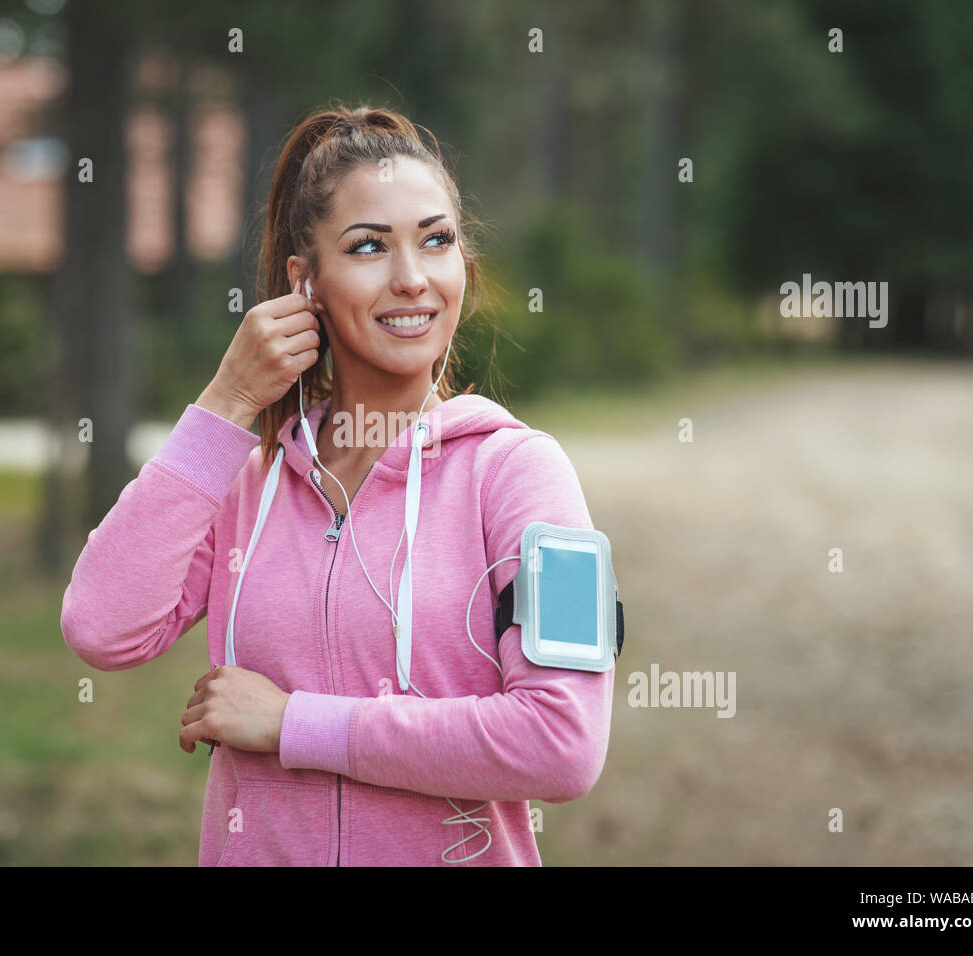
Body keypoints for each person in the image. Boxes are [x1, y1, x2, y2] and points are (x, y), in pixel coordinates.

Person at [60, 103, 615, 866]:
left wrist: (295, 724)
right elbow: (101, 625)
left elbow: (562, 743)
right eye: (367, 247)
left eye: (436, 240)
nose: (412, 279)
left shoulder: (519, 472)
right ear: (304, 282)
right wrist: (224, 405)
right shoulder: (247, 484)